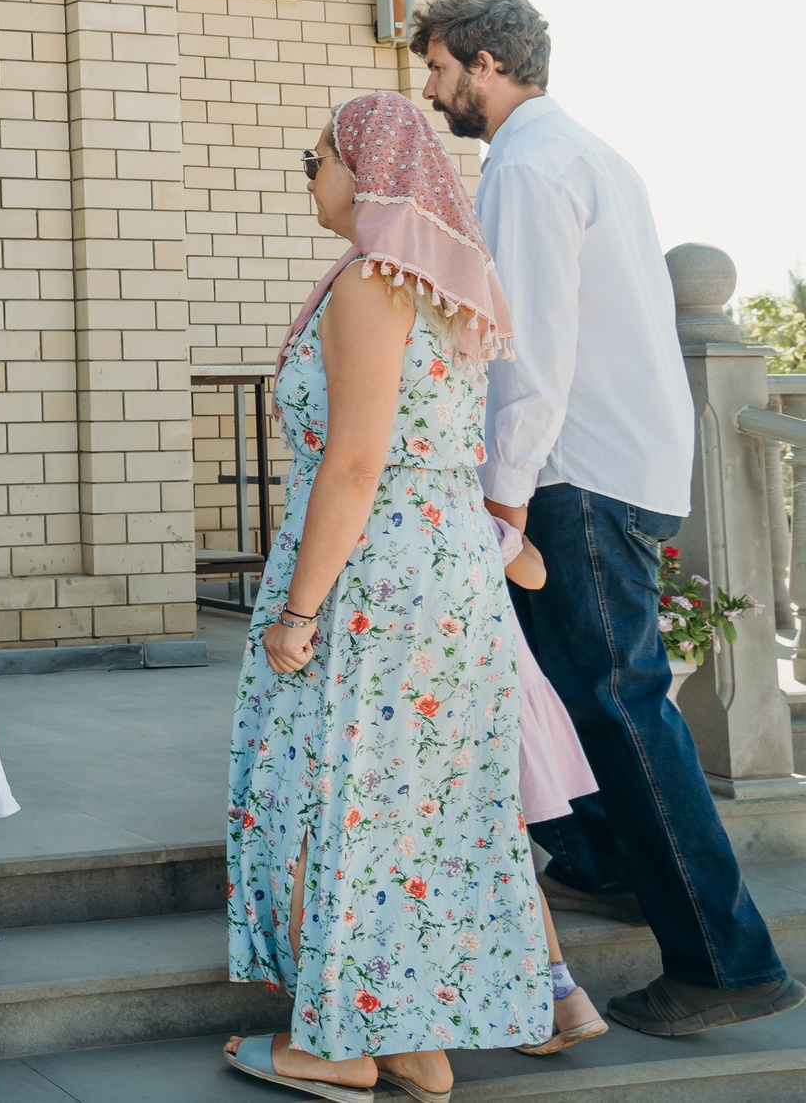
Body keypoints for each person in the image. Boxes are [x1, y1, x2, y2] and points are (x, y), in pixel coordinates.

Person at [413, 0, 803, 1038]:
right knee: (552, 687)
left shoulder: (527, 168)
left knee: (621, 707)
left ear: (488, 64)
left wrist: (500, 499)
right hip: (619, 466)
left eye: (441, 68)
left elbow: (529, 351)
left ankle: (726, 963)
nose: (432, 90)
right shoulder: (590, 154)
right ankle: (602, 862)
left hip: (571, 475)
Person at [224, 92, 547, 1102]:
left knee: (332, 788)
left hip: (376, 575)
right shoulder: (447, 286)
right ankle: (413, 1039)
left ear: (362, 173)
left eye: (314, 158)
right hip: (447, 572)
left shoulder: (372, 283)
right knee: (421, 806)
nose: (308, 177)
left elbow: (356, 461)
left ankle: (336, 1045)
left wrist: (298, 611)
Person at [494, 515, 608, 1058]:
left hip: (452, 698)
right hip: (501, 687)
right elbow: (534, 573)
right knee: (505, 850)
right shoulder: (475, 518)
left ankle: (547, 998)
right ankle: (564, 996)